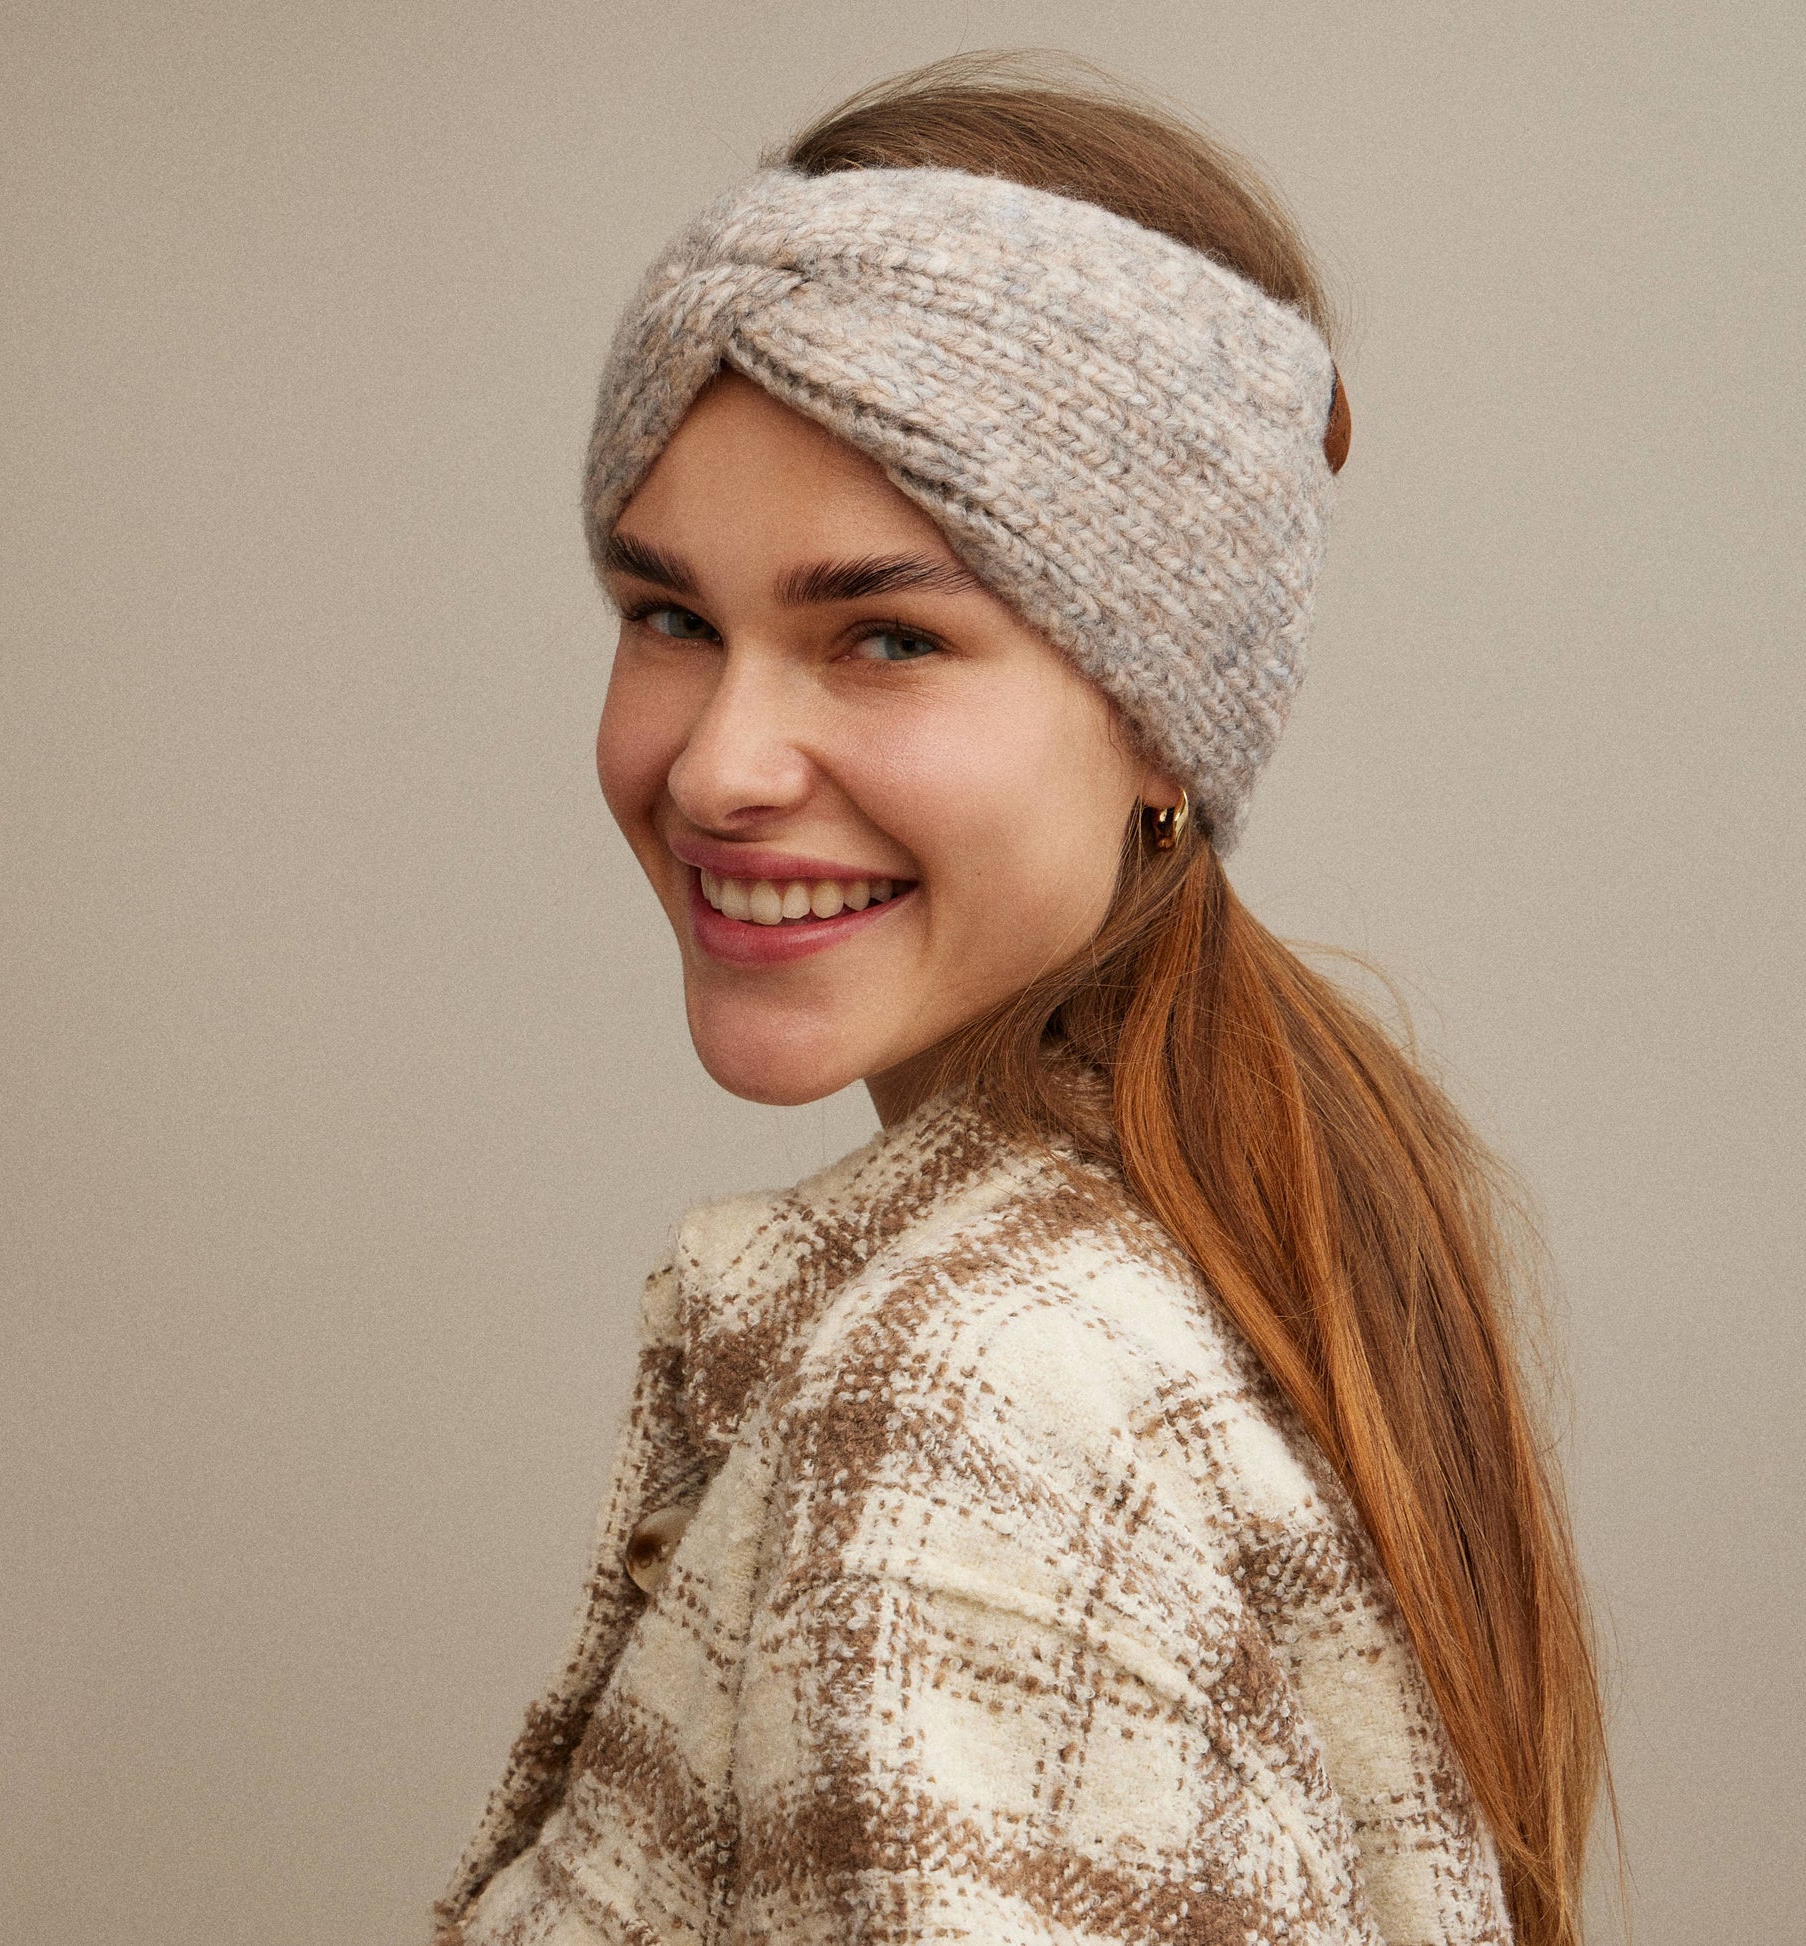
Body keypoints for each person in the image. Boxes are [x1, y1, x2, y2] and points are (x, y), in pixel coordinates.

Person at [435, 53, 1608, 1946]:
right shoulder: (1260, 1201)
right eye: (667, 616)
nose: (721, 762)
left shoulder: (970, 1403)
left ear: (1164, 711)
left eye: (883, 635)